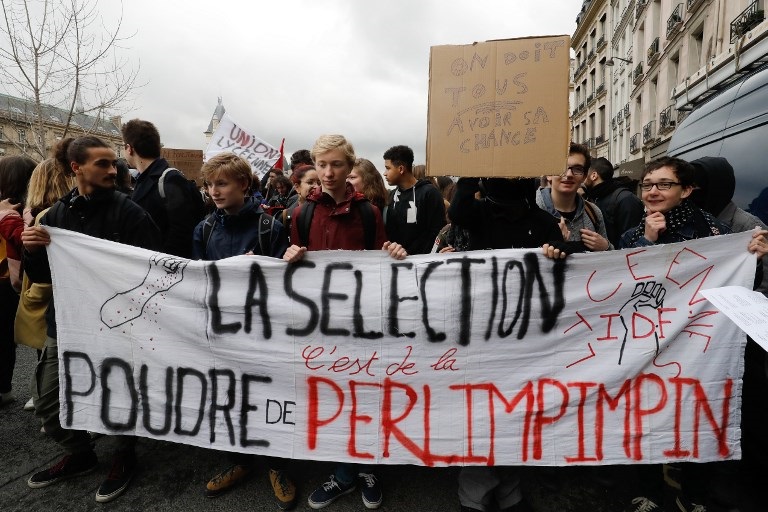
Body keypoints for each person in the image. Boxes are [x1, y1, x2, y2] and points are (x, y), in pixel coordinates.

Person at [21, 136, 161, 503]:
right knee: (48, 401)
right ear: (75, 168)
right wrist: (32, 249)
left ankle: (124, 454)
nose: (112, 170)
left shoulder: (130, 214)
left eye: (113, 163)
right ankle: (79, 454)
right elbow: (41, 275)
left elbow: (153, 270)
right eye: (102, 164)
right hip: (66, 325)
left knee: (119, 393)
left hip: (117, 326)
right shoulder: (55, 217)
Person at [283, 134, 406, 510]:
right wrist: (289, 255)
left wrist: (394, 252)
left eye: (337, 164)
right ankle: (343, 472)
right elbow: (293, 265)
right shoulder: (303, 213)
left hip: (361, 321)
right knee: (332, 395)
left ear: (349, 166)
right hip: (320, 322)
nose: (329, 172)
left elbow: (382, 260)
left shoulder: (369, 213)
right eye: (322, 164)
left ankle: (365, 466)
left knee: (363, 393)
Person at [618, 156, 736, 512]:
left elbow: (736, 282)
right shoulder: (631, 235)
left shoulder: (716, 234)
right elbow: (621, 290)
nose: (653, 191)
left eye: (663, 184)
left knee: (698, 414)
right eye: (647, 184)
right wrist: (648, 243)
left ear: (686, 190)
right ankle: (649, 491)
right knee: (646, 416)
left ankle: (695, 493)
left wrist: (755, 258)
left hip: (700, 347)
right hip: (648, 346)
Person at [447, 176, 565, 512]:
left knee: (513, 414)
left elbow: (564, 270)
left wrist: (558, 253)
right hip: (479, 334)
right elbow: (458, 210)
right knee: (479, 414)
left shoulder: (543, 222)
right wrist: (472, 169)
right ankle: (475, 495)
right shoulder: (478, 213)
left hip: (526, 339)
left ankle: (510, 490)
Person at [192, 152, 294, 509]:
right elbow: (195, 283)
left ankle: (278, 465)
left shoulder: (271, 228)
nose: (214, 191)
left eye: (222, 183)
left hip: (265, 333)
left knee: (268, 396)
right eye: (209, 184)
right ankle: (239, 460)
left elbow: (289, 287)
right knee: (230, 396)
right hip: (223, 333)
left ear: (244, 185)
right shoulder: (204, 229)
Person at [122, 118, 202, 258]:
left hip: (164, 270)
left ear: (129, 149)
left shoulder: (170, 179)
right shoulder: (142, 180)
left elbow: (182, 232)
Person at [0, 155, 37, 406]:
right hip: (21, 282)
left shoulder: (16, 215)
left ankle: (6, 388)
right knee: (37, 336)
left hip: (11, 282)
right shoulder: (29, 211)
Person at [536, 143, 611, 252]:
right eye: (562, 168)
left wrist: (606, 247)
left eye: (577, 169)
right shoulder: (532, 210)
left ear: (584, 176)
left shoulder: (593, 212)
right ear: (549, 174)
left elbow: (611, 263)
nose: (569, 174)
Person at [382, 145, 445, 255]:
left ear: (401, 169)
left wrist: (413, 255)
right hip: (396, 260)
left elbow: (436, 232)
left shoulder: (429, 193)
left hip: (422, 263)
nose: (384, 173)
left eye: (388, 168)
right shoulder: (392, 195)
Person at [583, 156, 644, 248]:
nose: (581, 177)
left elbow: (632, 242)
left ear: (593, 175)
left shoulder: (626, 199)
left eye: (584, 173)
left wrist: (607, 248)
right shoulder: (594, 197)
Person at [282, 164, 320, 239]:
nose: (316, 187)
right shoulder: (287, 216)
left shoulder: (327, 212)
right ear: (297, 187)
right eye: (310, 182)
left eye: (319, 183)